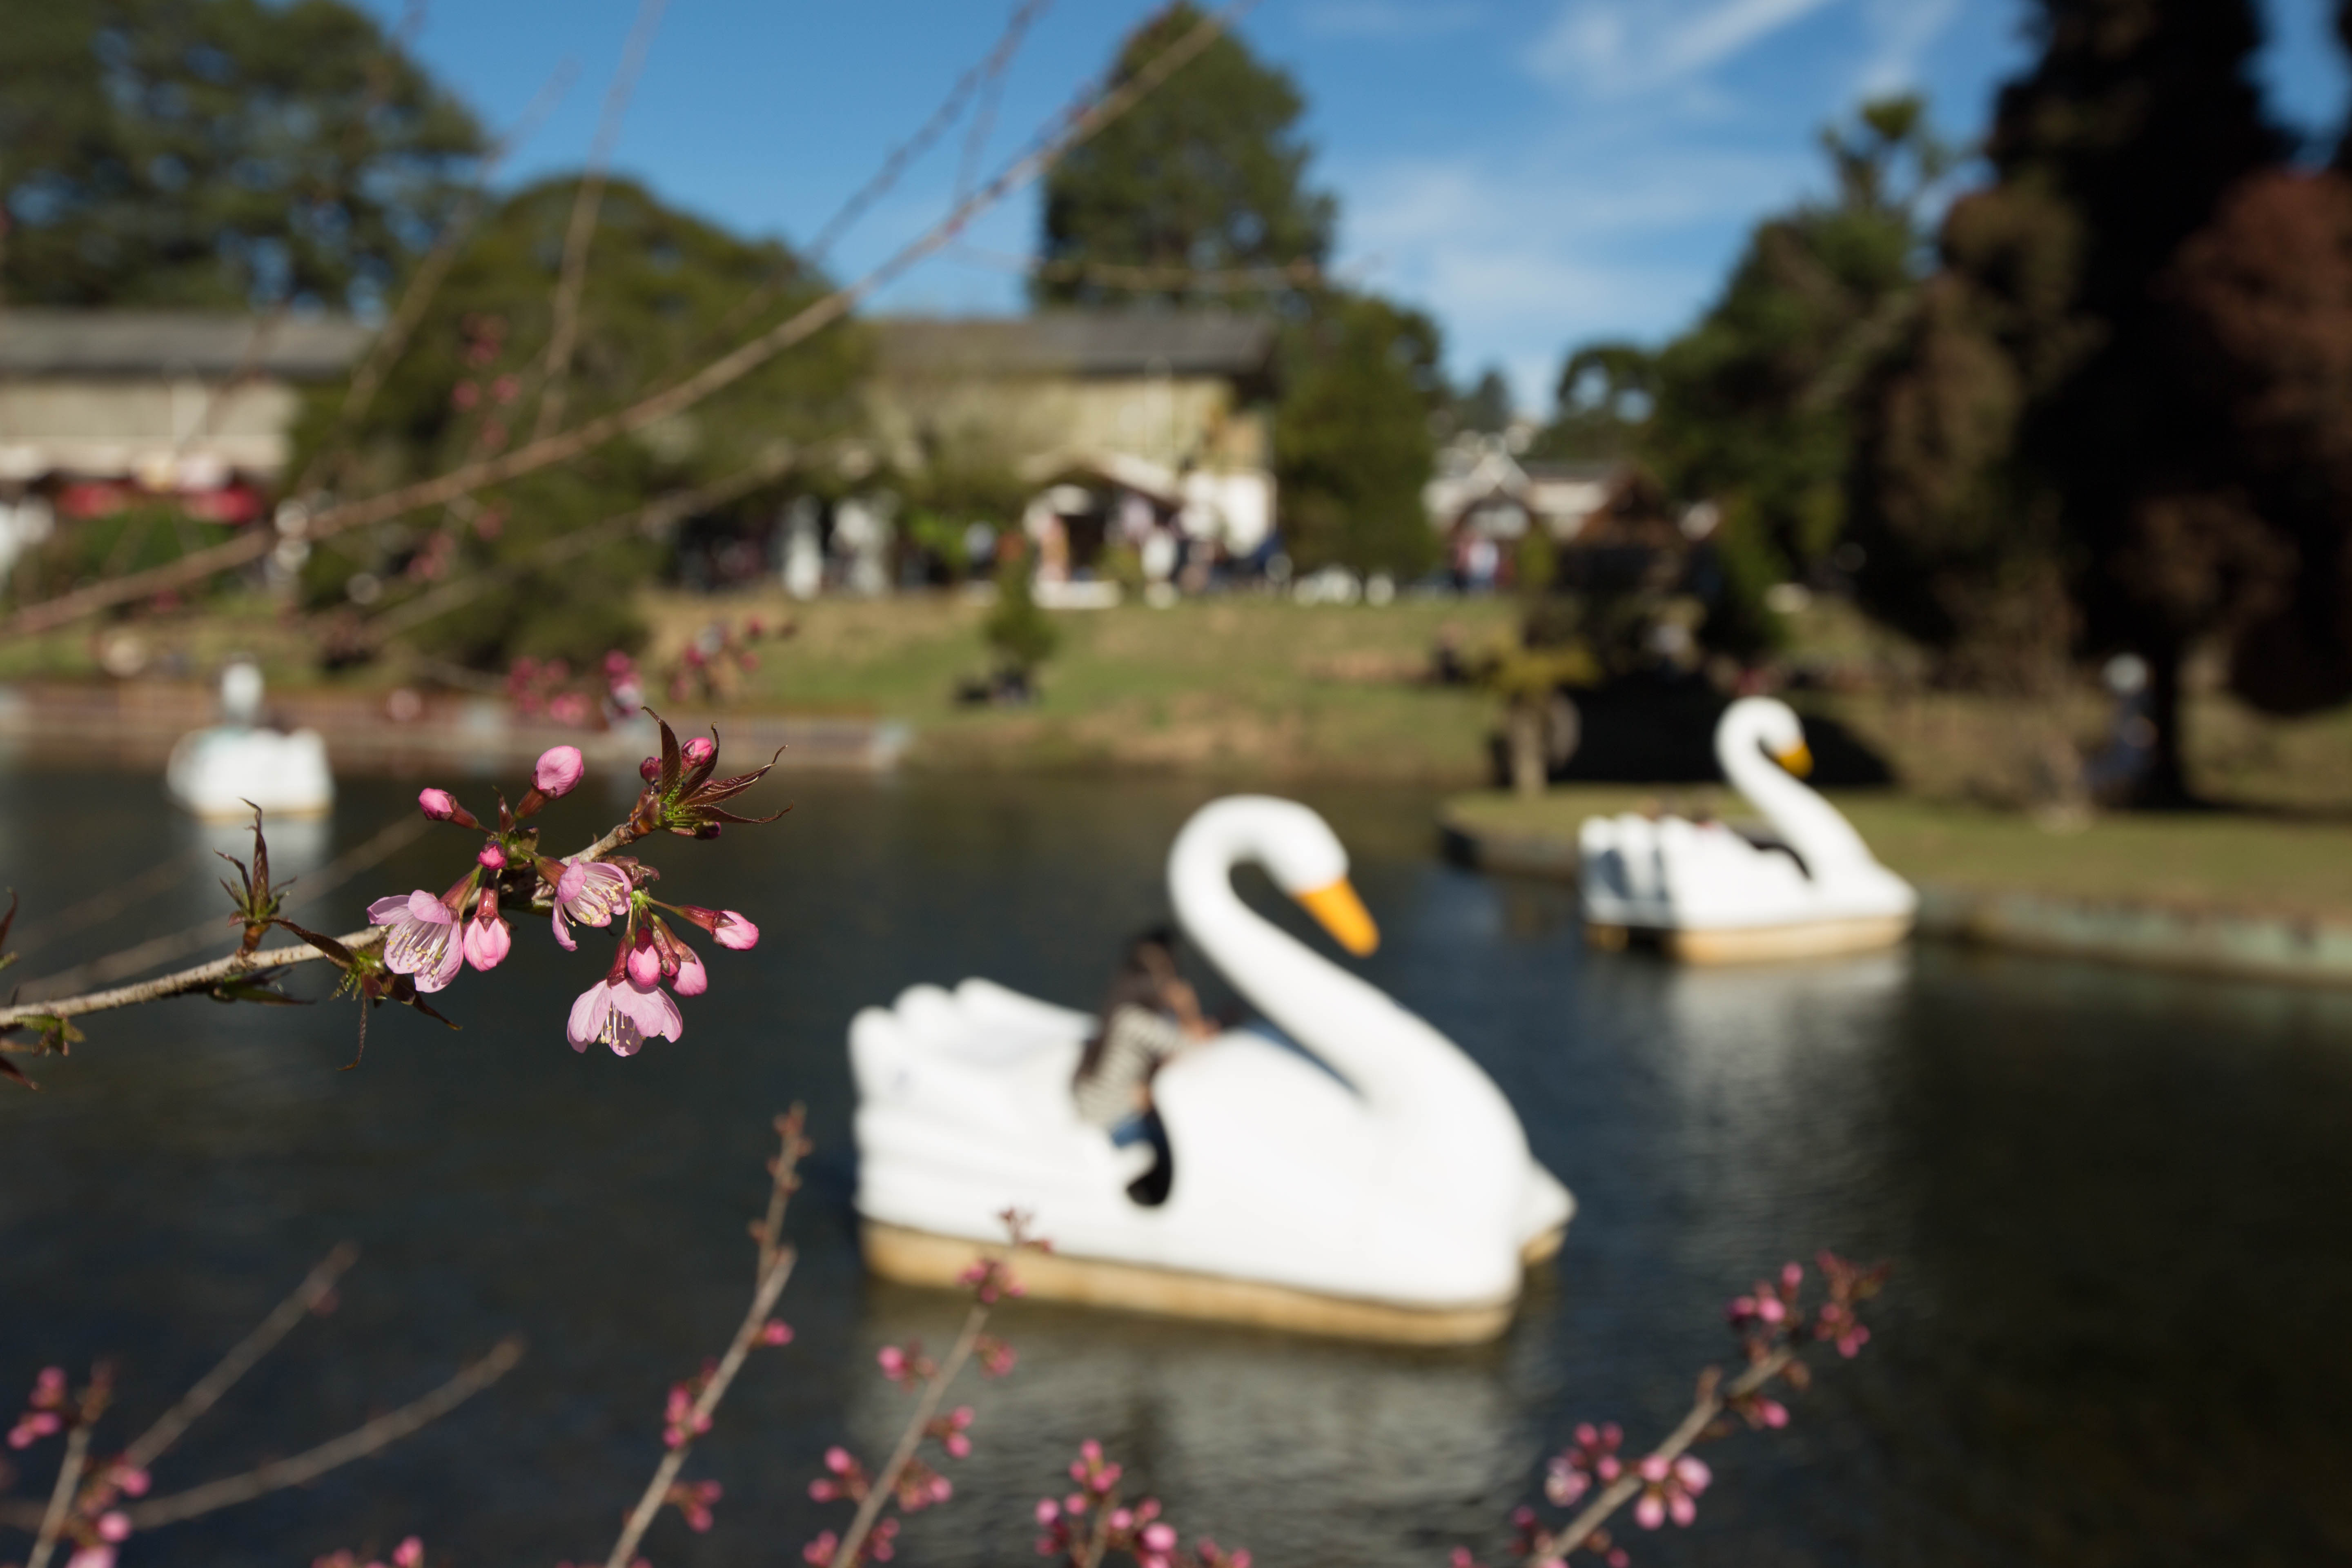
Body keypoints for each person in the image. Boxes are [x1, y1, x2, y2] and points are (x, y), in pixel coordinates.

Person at [1072, 927, 1215, 1203]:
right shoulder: (1134, 1020)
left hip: (1110, 1111)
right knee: (1188, 1147)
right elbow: (1192, 1048)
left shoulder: (1119, 1011)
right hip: (1115, 1121)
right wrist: (1187, 1006)